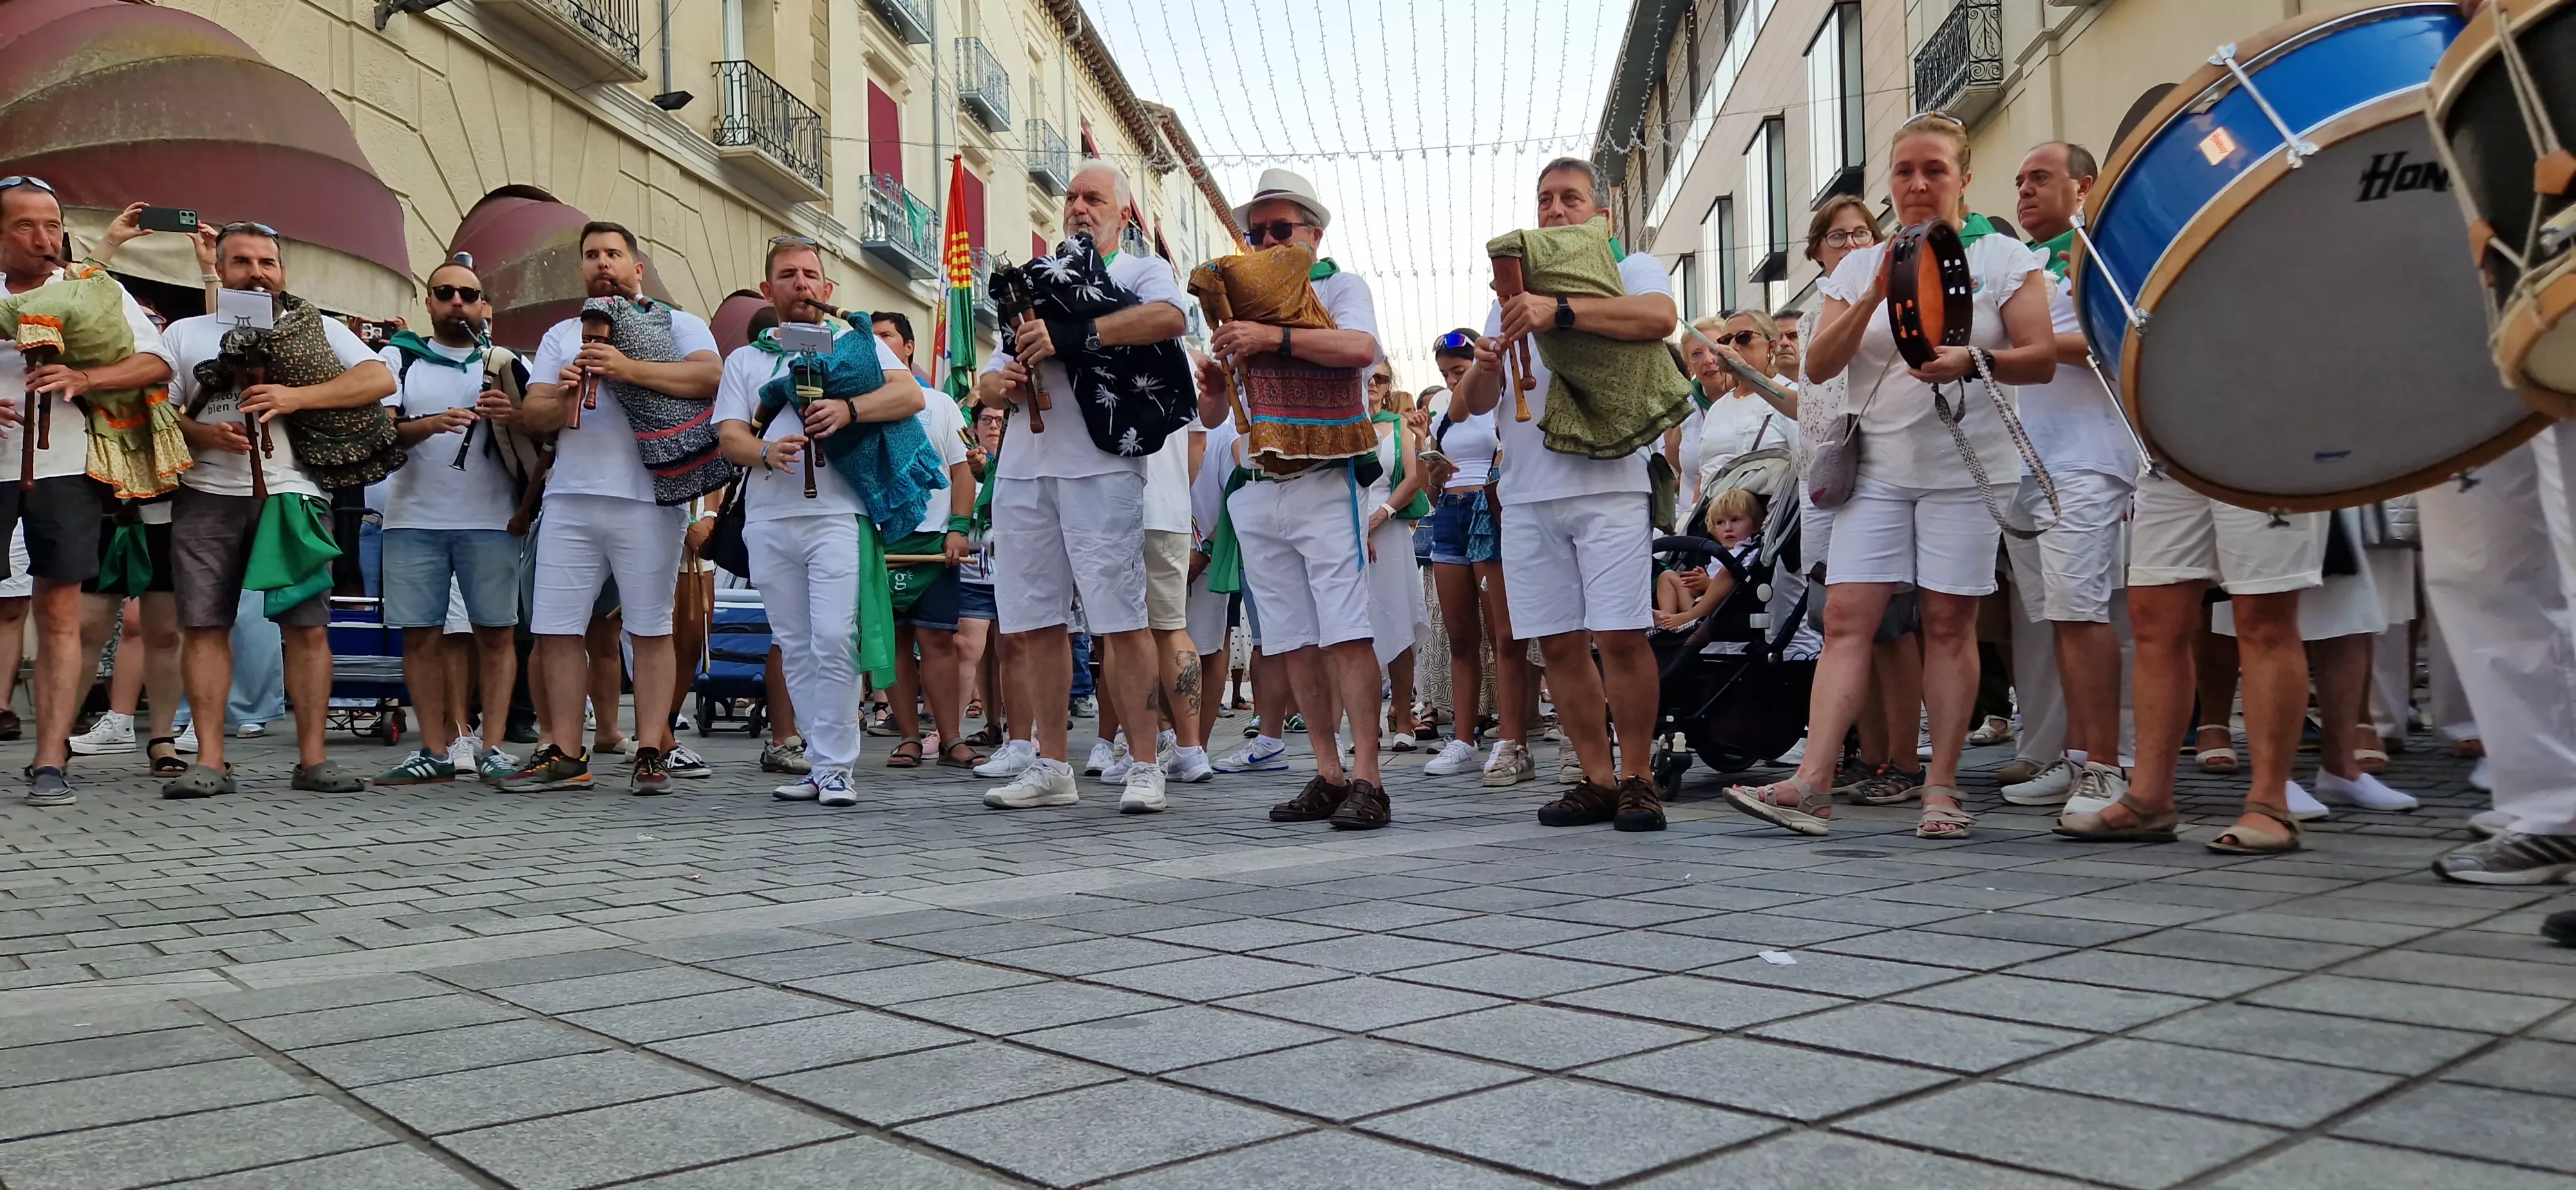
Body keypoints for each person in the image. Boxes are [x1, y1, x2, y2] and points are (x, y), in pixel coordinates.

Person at [1727, 113, 2057, 840]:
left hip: (1966, 472)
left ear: (1963, 179)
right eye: (1903, 172)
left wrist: (1973, 360)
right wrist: (1878, 289)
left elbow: (2039, 354)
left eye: (1933, 170)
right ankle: (1812, 781)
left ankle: (1939, 786)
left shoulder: (2004, 259)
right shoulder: (1855, 266)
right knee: (1847, 618)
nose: (1916, 184)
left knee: (1948, 623)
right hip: (1875, 467)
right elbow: (1817, 366)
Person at [1455, 158, 1681, 831]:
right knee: (1555, 645)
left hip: (1608, 478)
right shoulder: (1506, 290)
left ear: (1598, 211)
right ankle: (1597, 777)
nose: (1555, 210)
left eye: (1569, 199)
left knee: (1618, 634)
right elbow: (1474, 402)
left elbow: (1658, 318)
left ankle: (1639, 776)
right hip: (1526, 489)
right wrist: (1485, 365)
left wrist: (1556, 309)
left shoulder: (1627, 265)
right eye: (1544, 200)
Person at [974, 160, 1188, 813]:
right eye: (1070, 197)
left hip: (1099, 464)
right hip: (1023, 465)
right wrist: (996, 385)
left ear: (1123, 213)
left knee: (1121, 619)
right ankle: (1051, 766)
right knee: (1034, 621)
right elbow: (985, 378)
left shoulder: (1137, 271)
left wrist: (1073, 335)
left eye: (1093, 198)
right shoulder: (1033, 283)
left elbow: (1169, 320)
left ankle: (1145, 765)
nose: (1077, 207)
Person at [161, 220, 396, 798]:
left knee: (308, 629)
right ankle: (211, 761)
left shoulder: (315, 327)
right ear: (220, 268)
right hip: (206, 493)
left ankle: (313, 760)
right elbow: (158, 412)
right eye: (242, 261)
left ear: (282, 271)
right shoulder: (187, 332)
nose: (257, 272)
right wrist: (202, 435)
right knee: (203, 626)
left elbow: (379, 377)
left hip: (295, 493)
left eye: (268, 262)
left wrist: (297, 396)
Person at [1195, 168, 1392, 829]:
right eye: (1258, 232)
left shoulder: (1336, 284)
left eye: (1282, 229)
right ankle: (1329, 773)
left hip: (1320, 475)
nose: (1268, 241)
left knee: (1345, 631)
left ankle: (1369, 776)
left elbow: (1360, 349)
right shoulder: (1238, 297)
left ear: (1314, 233)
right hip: (1254, 483)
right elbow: (1220, 415)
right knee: (1291, 640)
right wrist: (1215, 388)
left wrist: (1270, 338)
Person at [498, 222, 722, 795]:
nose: (603, 263)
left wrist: (627, 370)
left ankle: (651, 749)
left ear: (637, 267)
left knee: (649, 628)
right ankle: (566, 754)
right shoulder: (561, 335)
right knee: (555, 629)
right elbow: (535, 416)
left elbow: (709, 377)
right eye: (592, 255)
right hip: (571, 497)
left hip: (648, 498)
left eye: (614, 254)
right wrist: (567, 389)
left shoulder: (678, 321)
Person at [715, 238, 922, 806]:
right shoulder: (746, 360)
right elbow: (729, 434)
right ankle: (819, 761)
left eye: (811, 275)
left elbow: (910, 394)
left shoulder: (856, 346)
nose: (801, 284)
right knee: (795, 643)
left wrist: (849, 409)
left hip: (837, 514)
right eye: (788, 275)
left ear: (828, 290)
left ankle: (837, 768)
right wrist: (763, 453)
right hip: (769, 517)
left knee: (834, 638)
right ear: (769, 290)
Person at [1, 184, 178, 806]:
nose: (44, 239)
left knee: (60, 615)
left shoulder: (95, 284)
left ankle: (50, 760)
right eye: (26, 227)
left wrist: (85, 376)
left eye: (52, 225)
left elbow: (157, 362)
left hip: (65, 466)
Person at [1983, 142, 2142, 812]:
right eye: (2018, 181)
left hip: (2086, 461)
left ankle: (2110, 763)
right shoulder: (2029, 265)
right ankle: (2074, 755)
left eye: (2040, 178)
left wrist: (2015, 351)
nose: (2024, 191)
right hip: (2030, 460)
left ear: (2084, 186)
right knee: (2055, 618)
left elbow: (2118, 336)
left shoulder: (2104, 252)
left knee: (2085, 611)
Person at [372, 261, 526, 785]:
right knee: (421, 635)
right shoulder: (400, 357)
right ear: (430, 302)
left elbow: (543, 435)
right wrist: (432, 425)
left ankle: (494, 747)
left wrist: (515, 415)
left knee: (497, 635)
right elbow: (381, 431)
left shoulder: (505, 362)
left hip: (492, 518)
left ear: (483, 306)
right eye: (445, 293)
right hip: (414, 516)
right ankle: (435, 749)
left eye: (468, 295)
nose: (456, 302)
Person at [1418, 330, 1535, 784]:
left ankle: (1512, 738)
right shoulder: (1438, 413)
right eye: (1445, 373)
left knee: (1505, 635)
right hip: (1449, 510)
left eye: (1458, 371)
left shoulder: (1498, 401)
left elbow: (1512, 458)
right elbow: (1429, 490)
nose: (1451, 380)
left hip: (1491, 510)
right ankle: (1464, 739)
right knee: (1461, 636)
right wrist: (1434, 474)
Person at [868, 308, 979, 771]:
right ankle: (909, 737)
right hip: (883, 543)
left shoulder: (941, 405)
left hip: (934, 544)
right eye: (871, 338)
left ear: (909, 347)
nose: (878, 344)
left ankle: (950, 737)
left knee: (938, 642)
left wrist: (957, 528)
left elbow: (961, 471)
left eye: (887, 336)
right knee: (892, 643)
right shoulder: (859, 407)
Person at [1363, 361, 1429, 753]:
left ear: (1389, 386)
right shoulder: (1341, 423)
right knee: (1355, 629)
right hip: (1348, 531)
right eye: (1367, 376)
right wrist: (1357, 524)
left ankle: (1403, 717)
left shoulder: (1398, 424)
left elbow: (1412, 478)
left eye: (1381, 378)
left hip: (1388, 531)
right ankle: (1366, 724)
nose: (1373, 383)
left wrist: (1382, 514)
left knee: (1398, 620)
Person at [1657, 488, 1761, 628]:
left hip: (1724, 608)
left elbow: (1736, 586)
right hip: (1698, 605)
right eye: (1720, 523)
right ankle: (1666, 616)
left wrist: (1707, 584)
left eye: (1735, 520)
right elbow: (1701, 592)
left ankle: (1688, 617)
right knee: (1668, 576)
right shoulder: (1715, 553)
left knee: (1729, 570)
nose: (1728, 528)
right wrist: (1695, 586)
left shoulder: (1751, 551)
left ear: (1755, 525)